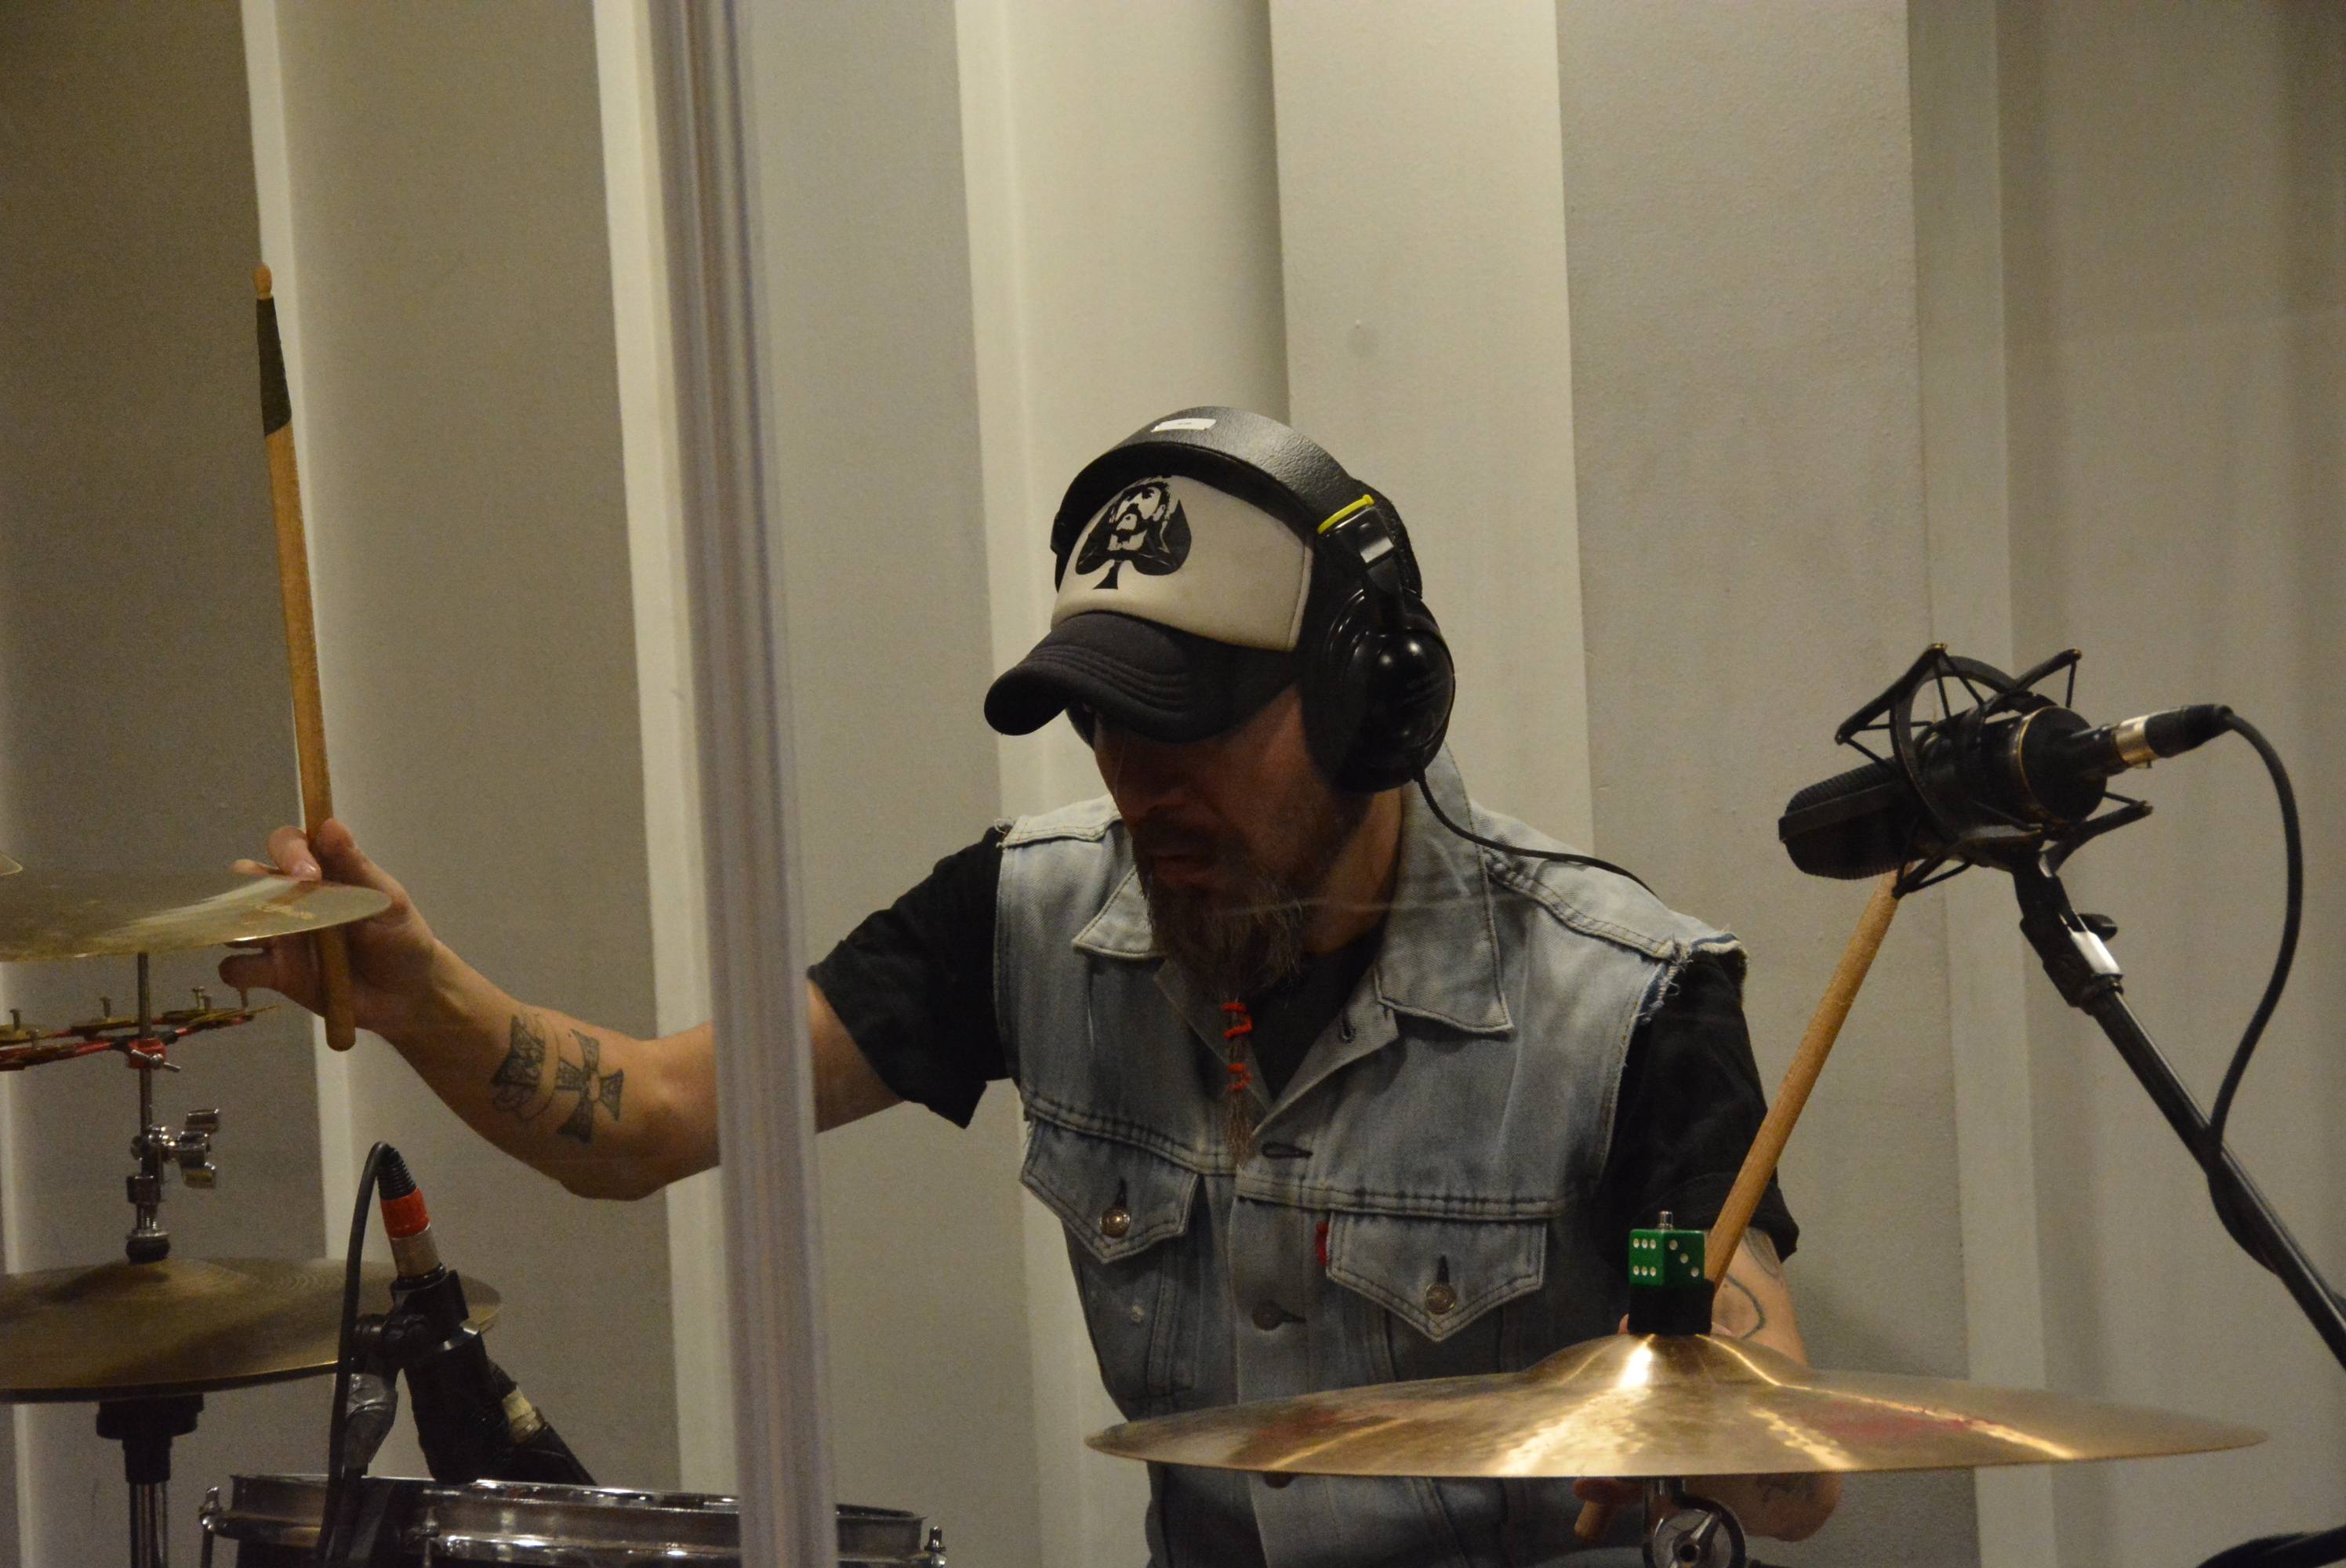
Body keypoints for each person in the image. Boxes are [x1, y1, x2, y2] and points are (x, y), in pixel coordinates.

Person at [226, 408, 1838, 1564]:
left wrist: (1711, 1415)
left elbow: (1781, 1448)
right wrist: (413, 986)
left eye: (1190, 722)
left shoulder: (1623, 998)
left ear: (1371, 702)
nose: (1139, 779)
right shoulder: (1029, 912)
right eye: (1106, 723)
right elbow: (645, 1120)